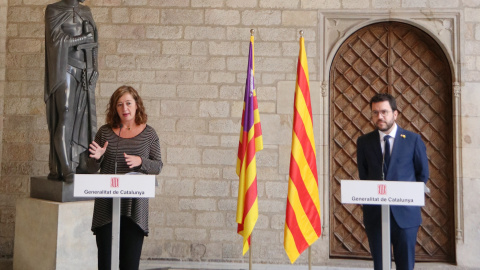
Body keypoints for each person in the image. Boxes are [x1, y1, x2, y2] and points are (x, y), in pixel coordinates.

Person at [88, 86, 163, 270]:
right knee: (105, 264)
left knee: (129, 265)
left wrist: (140, 161)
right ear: (114, 108)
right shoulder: (105, 132)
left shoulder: (149, 134)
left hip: (134, 206)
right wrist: (96, 158)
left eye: (128, 103)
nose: (124, 108)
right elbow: (90, 168)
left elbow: (158, 166)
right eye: (119, 104)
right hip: (107, 206)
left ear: (137, 105)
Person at [356, 93, 429, 270]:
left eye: (384, 112)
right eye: (375, 113)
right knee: (380, 266)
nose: (379, 116)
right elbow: (364, 175)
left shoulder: (412, 140)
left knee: (405, 266)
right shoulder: (364, 142)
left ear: (395, 114)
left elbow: (423, 174)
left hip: (405, 216)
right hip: (376, 215)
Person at [44, 0, 99, 181]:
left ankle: (80, 163)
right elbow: (56, 40)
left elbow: (94, 42)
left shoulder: (86, 10)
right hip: (64, 69)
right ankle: (65, 167)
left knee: (81, 118)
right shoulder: (53, 10)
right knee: (65, 115)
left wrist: (95, 69)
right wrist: (83, 38)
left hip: (83, 69)